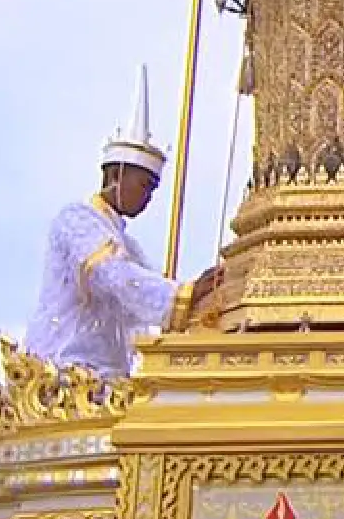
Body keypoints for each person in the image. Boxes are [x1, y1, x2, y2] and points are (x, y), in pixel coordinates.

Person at [23, 65, 223, 378]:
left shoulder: (129, 246)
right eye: (145, 185)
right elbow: (113, 276)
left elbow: (144, 301)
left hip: (110, 376)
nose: (149, 198)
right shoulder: (76, 221)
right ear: (115, 175)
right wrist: (183, 293)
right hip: (64, 371)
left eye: (154, 189)